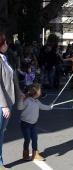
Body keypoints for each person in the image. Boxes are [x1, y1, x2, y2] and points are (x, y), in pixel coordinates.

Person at [0, 33, 24, 170]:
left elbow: (11, 80)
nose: (7, 45)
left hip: (8, 101)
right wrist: (4, 105)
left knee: (1, 132)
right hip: (2, 103)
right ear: (1, 45)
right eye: (5, 43)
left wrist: (18, 92)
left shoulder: (4, 58)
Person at [17, 83, 53, 161]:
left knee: (34, 138)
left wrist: (50, 107)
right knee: (27, 139)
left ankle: (35, 154)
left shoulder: (37, 101)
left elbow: (43, 107)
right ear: (35, 93)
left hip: (33, 124)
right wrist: (20, 100)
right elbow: (20, 108)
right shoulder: (27, 101)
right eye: (39, 91)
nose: (40, 93)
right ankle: (25, 154)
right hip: (25, 123)